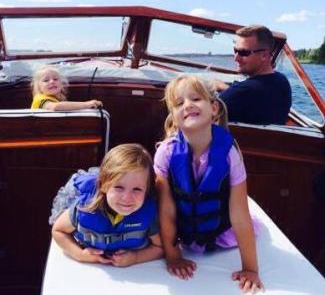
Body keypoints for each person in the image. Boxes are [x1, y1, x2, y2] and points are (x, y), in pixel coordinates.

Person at [154, 75, 264, 292]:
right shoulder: (165, 153)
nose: (188, 105)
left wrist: (250, 269)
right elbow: (165, 211)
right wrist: (174, 256)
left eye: (196, 98)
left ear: (214, 108)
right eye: (179, 103)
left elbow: (240, 215)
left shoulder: (229, 154)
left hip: (222, 235)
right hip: (183, 236)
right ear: (174, 117)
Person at [52, 143, 163, 267]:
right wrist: (79, 254)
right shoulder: (84, 208)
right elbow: (58, 231)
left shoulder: (148, 214)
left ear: (147, 191)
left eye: (137, 189)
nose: (127, 197)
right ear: (103, 186)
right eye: (119, 187)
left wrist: (136, 258)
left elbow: (160, 247)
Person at [214, 25, 291, 125]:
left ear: (264, 55)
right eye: (235, 51)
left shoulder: (240, 93)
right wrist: (225, 87)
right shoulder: (282, 81)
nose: (236, 58)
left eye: (243, 52)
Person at [31, 65, 103, 110]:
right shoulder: (40, 99)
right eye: (46, 80)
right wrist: (87, 104)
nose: (52, 82)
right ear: (38, 87)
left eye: (55, 79)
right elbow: (55, 107)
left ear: (61, 84)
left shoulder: (56, 99)